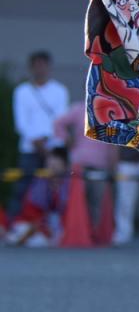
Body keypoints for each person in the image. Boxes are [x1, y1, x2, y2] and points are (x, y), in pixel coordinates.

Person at [10, 52, 69, 217]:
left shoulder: (60, 91)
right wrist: (36, 141)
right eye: (36, 65)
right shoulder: (22, 91)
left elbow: (60, 120)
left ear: (49, 67)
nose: (40, 69)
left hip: (54, 148)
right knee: (23, 186)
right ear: (31, 68)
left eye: (43, 65)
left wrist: (46, 140)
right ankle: (16, 223)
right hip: (29, 147)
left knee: (54, 187)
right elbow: (21, 122)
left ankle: (52, 224)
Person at [53, 100, 114, 226]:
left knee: (97, 202)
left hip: (100, 164)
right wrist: (67, 140)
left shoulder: (112, 110)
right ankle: (78, 230)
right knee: (78, 201)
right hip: (80, 163)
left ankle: (94, 233)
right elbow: (58, 123)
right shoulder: (79, 108)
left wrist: (113, 163)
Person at [4, 147, 70, 247]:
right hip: (34, 223)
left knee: (47, 241)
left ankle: (22, 239)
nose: (51, 167)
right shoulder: (39, 182)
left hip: (55, 227)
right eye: (49, 164)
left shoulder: (69, 185)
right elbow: (31, 211)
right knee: (24, 231)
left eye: (55, 164)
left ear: (64, 166)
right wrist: (38, 226)